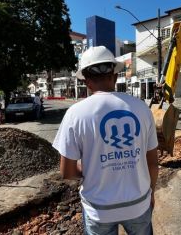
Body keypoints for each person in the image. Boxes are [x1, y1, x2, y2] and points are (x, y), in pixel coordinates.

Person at [53, 46, 159, 235]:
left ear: (86, 82)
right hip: (138, 205)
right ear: (115, 76)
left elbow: (67, 171)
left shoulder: (75, 114)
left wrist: (89, 169)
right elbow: (152, 163)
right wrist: (151, 192)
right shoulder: (142, 108)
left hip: (98, 210)